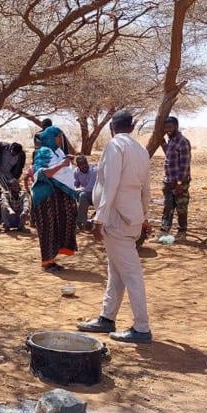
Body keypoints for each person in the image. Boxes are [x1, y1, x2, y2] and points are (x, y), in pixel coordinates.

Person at [77, 111, 153, 343]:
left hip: (117, 218)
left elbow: (110, 185)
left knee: (130, 273)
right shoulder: (141, 150)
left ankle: (142, 328)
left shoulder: (115, 146)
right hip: (132, 217)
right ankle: (107, 317)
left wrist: (98, 220)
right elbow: (146, 189)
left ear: (112, 127)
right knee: (117, 271)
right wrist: (145, 216)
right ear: (131, 127)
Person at [31, 124, 78, 272]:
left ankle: (52, 259)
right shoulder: (43, 152)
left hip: (56, 197)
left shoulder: (57, 151)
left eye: (60, 137)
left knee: (57, 226)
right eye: (58, 137)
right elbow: (41, 173)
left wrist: (65, 161)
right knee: (48, 227)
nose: (60, 139)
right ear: (51, 137)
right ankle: (47, 262)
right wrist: (62, 165)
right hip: (45, 196)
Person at [159, 116, 192, 237]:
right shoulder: (171, 141)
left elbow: (184, 164)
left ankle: (182, 232)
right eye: (166, 128)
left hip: (179, 182)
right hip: (168, 181)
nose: (168, 130)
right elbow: (169, 155)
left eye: (170, 127)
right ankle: (164, 232)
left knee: (181, 207)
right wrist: (161, 140)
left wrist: (179, 183)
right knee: (168, 206)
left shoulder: (182, 141)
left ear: (176, 127)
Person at [73, 155, 98, 229]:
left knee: (83, 195)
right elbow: (74, 185)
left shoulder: (94, 170)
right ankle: (75, 220)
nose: (84, 166)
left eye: (85, 163)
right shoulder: (76, 171)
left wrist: (76, 190)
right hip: (86, 194)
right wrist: (73, 191)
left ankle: (80, 222)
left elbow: (90, 188)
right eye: (81, 164)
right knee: (71, 195)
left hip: (96, 195)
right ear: (78, 166)